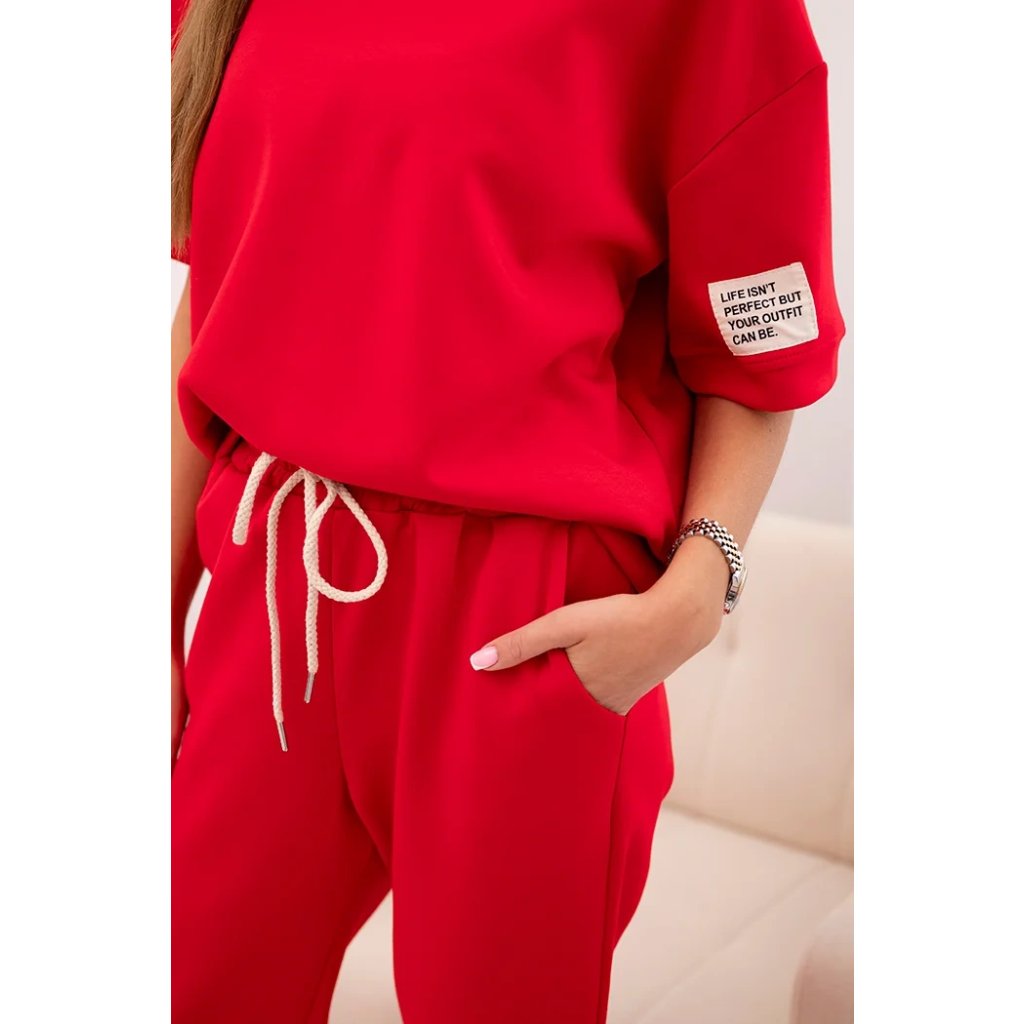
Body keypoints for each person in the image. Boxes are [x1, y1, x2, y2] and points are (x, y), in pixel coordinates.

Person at [169, 0, 846, 1020]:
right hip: (270, 578)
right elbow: (220, 294)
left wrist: (699, 592)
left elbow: (759, 335)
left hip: (518, 620)